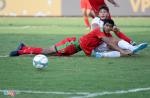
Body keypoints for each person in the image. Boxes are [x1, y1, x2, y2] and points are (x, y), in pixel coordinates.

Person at [9, 19, 147, 57]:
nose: (109, 28)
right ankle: (21, 51)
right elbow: (110, 42)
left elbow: (112, 42)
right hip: (72, 44)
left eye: (111, 27)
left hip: (75, 49)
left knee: (51, 55)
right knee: (46, 51)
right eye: (108, 26)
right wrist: (123, 52)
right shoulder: (99, 31)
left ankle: (24, 48)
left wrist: (128, 51)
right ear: (104, 26)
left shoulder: (108, 34)